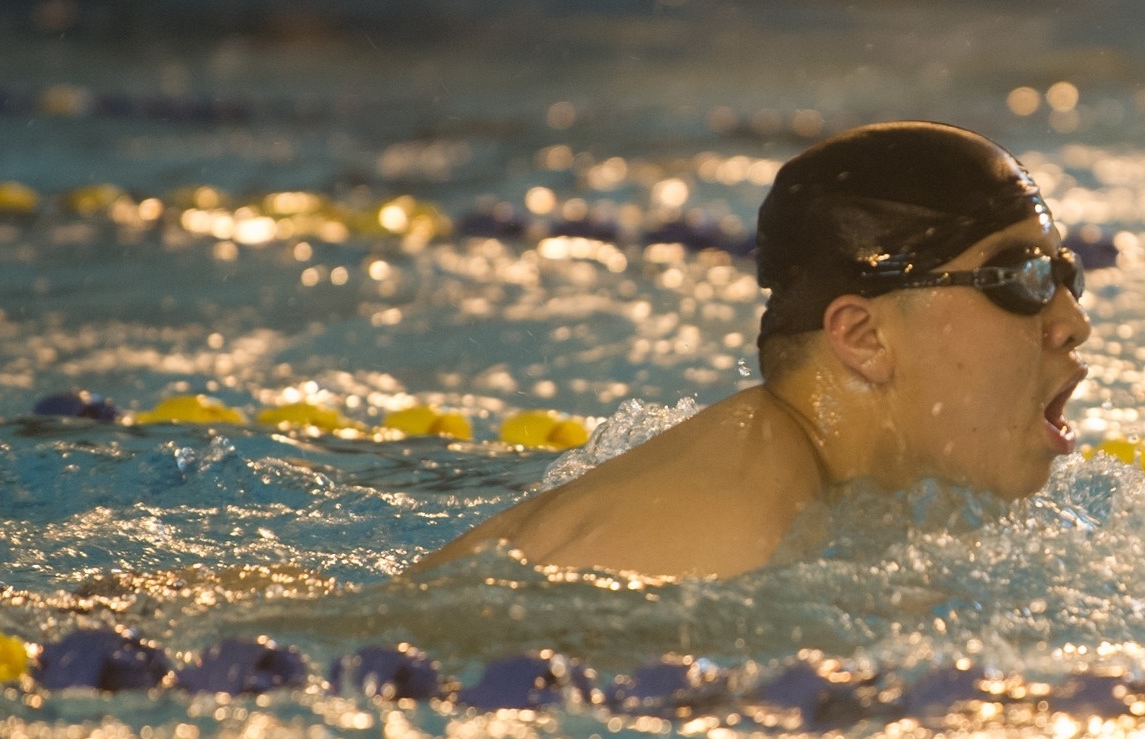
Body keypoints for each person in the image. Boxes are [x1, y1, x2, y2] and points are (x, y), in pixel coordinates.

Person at [418, 122, 1090, 581]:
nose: (1072, 323)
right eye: (1024, 278)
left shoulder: (831, 492)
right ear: (862, 337)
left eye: (1068, 276)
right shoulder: (724, 534)